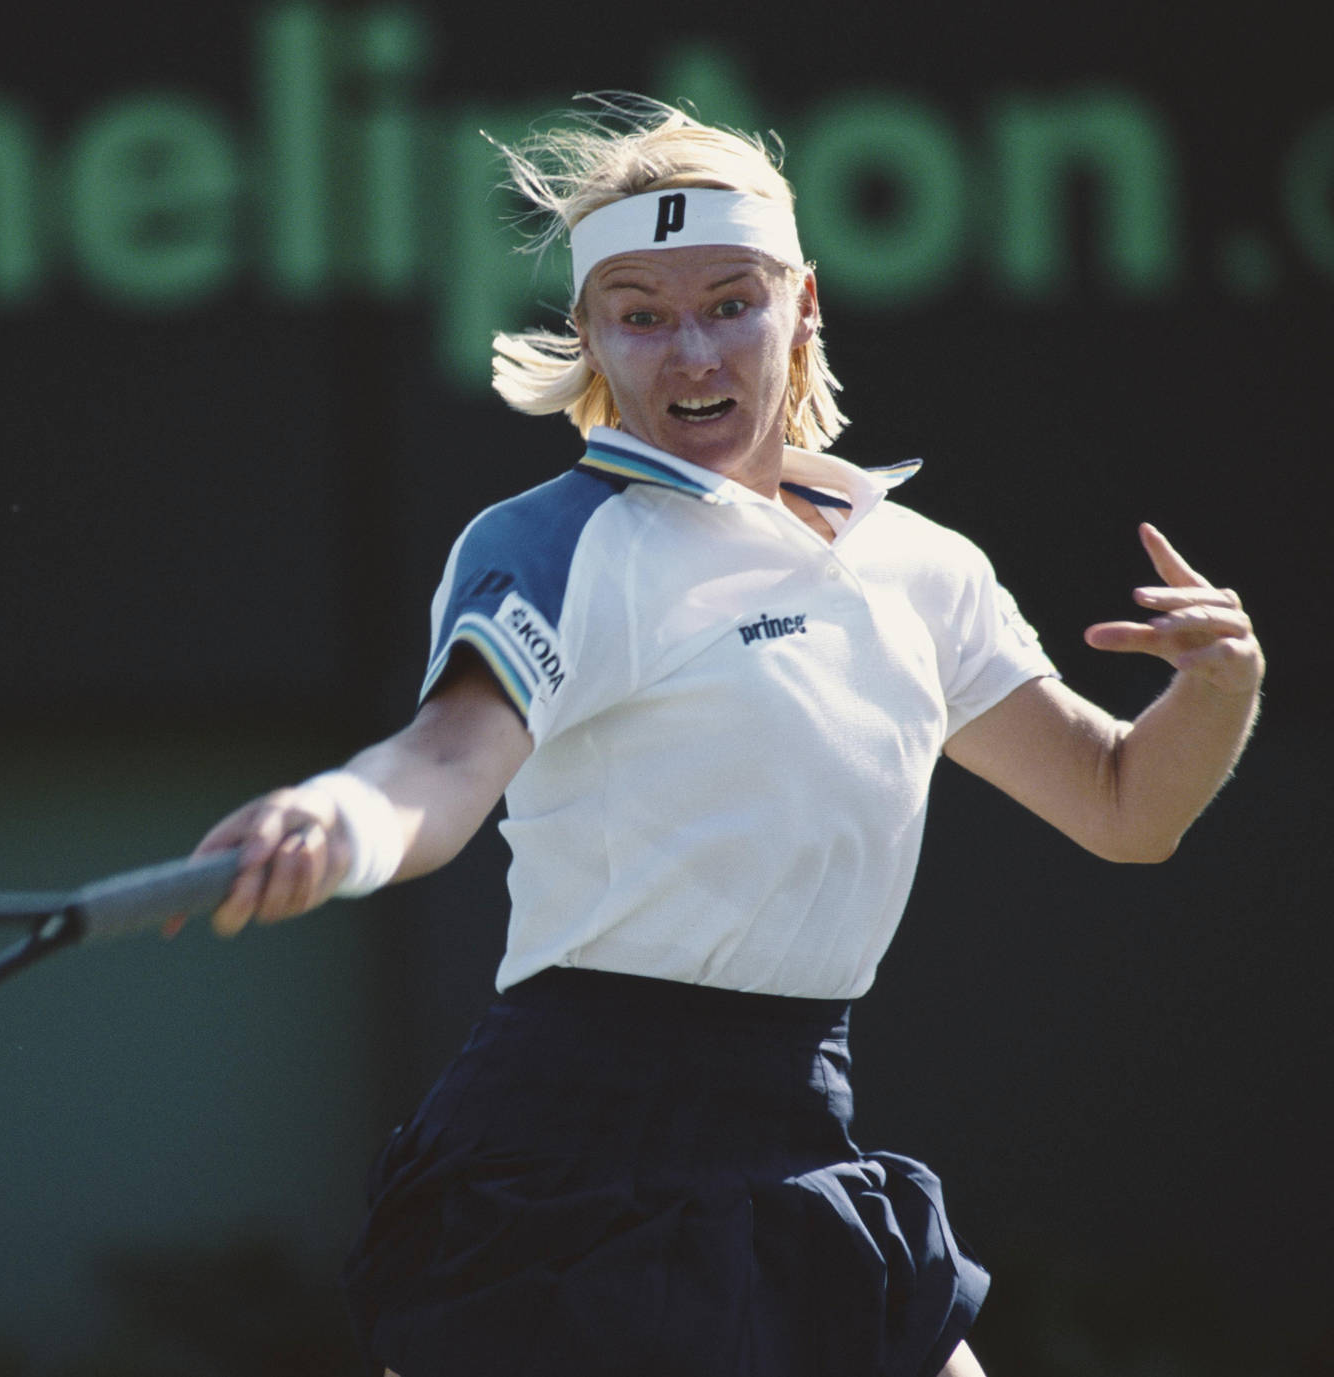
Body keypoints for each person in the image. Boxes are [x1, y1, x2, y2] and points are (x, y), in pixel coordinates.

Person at [191, 96, 1264, 1377]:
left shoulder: (924, 568)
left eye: (730, 302)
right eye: (640, 315)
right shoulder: (556, 543)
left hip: (804, 1133)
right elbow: (441, 760)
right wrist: (343, 818)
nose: (690, 351)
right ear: (589, 335)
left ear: (803, 306)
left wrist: (1218, 690)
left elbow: (1123, 807)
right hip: (568, 1166)